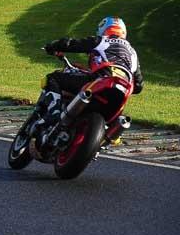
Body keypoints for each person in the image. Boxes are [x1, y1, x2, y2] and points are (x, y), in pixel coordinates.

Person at [34, 16, 143, 145]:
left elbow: (73, 44)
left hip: (99, 81)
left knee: (53, 78)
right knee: (116, 121)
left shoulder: (102, 40)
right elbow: (138, 85)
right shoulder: (133, 53)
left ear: (102, 29)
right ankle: (109, 136)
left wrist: (53, 46)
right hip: (121, 93)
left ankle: (53, 112)